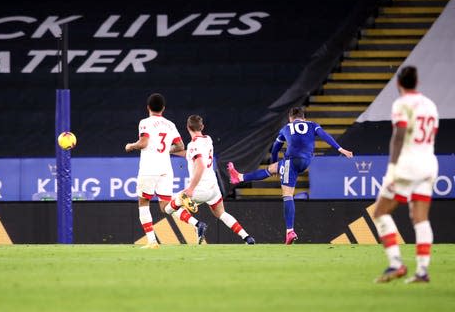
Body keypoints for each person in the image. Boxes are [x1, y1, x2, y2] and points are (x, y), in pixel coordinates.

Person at [228, 106, 353, 244]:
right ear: (303, 117)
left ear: (290, 118)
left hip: (291, 161)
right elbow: (325, 136)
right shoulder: (312, 125)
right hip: (305, 161)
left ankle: (290, 231)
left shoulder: (286, 128)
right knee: (273, 168)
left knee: (287, 195)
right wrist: (340, 149)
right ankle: (239, 177)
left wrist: (275, 161)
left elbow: (275, 149)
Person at [373, 66, 438, 284]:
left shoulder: (401, 104)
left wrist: (392, 169)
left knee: (381, 212)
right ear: (417, 82)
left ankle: (396, 263)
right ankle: (422, 271)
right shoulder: (430, 105)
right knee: (420, 218)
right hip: (429, 163)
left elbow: (399, 137)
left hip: (407, 165)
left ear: (398, 83)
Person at [165, 115, 255, 245]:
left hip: (200, 189)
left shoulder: (193, 144)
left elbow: (200, 164)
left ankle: (197, 225)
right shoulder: (208, 139)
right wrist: (170, 152)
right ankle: (247, 238)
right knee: (221, 213)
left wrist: (190, 188)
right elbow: (190, 154)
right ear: (202, 127)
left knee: (169, 208)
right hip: (213, 188)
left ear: (187, 127)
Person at [125, 93, 193, 249]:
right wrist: (164, 150)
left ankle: (152, 241)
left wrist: (131, 146)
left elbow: (143, 143)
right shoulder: (170, 124)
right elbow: (181, 146)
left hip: (149, 168)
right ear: (163, 108)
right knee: (165, 206)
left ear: (148, 107)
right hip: (166, 168)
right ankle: (178, 200)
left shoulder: (145, 122)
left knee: (143, 202)